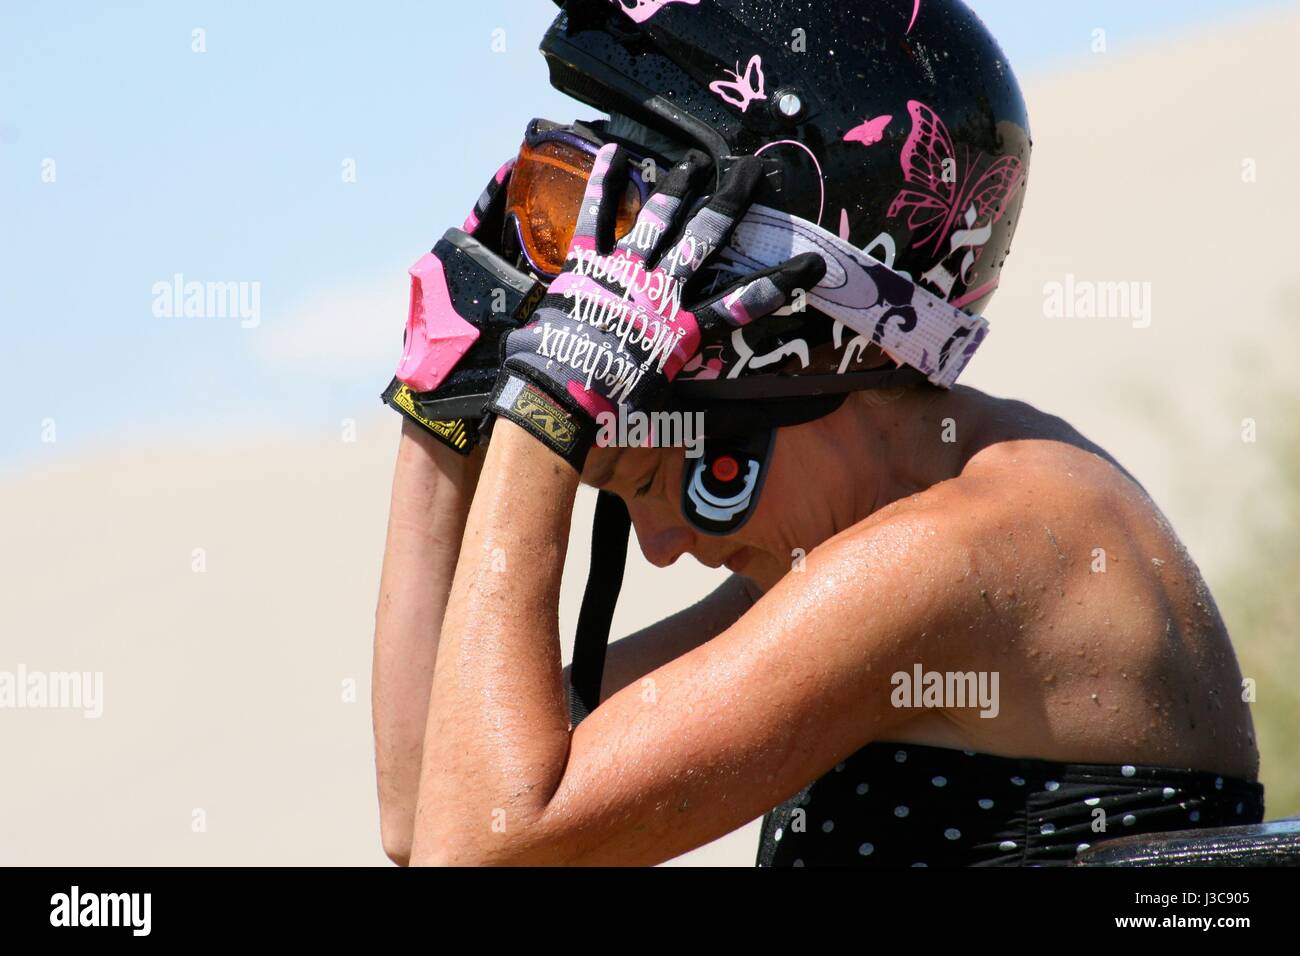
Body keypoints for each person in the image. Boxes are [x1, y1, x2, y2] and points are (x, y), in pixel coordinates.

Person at [372, 0, 1262, 867]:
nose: (662, 546)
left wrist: (544, 411)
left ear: (794, 362)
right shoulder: (882, 540)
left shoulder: (961, 552)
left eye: (659, 480)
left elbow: (480, 845)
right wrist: (437, 409)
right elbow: (423, 807)